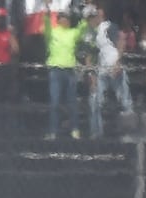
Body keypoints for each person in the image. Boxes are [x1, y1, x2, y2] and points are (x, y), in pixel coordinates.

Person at [41, 6, 88, 139]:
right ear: (59, 20)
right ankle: (53, 131)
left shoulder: (73, 33)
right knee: (54, 102)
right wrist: (46, 14)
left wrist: (85, 15)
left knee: (72, 102)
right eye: (62, 18)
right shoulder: (53, 33)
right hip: (55, 70)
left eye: (66, 18)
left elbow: (82, 28)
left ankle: (75, 129)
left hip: (69, 71)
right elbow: (46, 25)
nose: (65, 20)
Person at [89, 5, 133, 138]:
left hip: (114, 67)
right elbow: (92, 53)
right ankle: (96, 132)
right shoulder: (93, 32)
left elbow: (121, 41)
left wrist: (118, 63)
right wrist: (93, 74)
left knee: (125, 101)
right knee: (95, 100)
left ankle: (129, 133)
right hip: (101, 70)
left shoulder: (109, 26)